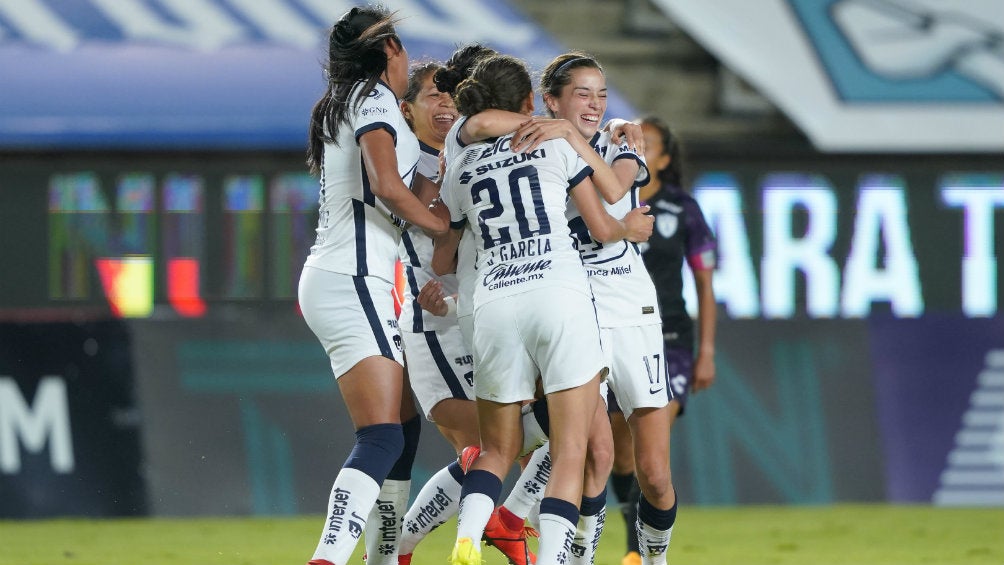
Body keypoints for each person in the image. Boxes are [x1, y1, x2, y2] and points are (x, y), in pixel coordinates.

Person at [433, 53, 650, 565]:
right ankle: (552, 558)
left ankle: (467, 536)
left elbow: (442, 255)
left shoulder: (459, 159)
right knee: (572, 450)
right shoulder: (553, 142)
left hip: (490, 302)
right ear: (532, 100)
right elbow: (604, 219)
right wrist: (628, 229)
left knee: (496, 448)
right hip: (559, 297)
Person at [297, 7, 448, 565]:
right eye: (402, 48)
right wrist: (440, 225)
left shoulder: (350, 100)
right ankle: (329, 557)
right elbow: (387, 185)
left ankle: (385, 560)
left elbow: (406, 182)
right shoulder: (373, 97)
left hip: (356, 278)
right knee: (381, 435)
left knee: (403, 430)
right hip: (352, 276)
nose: (408, 60)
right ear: (386, 51)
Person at [526, 51, 675, 565]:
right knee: (593, 456)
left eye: (601, 94)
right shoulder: (531, 151)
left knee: (654, 474)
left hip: (632, 312)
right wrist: (563, 136)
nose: (593, 104)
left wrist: (581, 136)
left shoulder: (618, 142)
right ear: (551, 100)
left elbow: (627, 174)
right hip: (575, 317)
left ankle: (654, 559)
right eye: (581, 94)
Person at [611, 115, 717, 565]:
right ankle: (631, 532)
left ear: (665, 157)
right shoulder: (607, 200)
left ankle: (639, 552)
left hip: (670, 337)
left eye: (648, 142)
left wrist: (706, 352)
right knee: (620, 456)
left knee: (651, 446)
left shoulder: (683, 208)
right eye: (632, 139)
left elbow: (705, 284)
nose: (637, 146)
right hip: (617, 331)